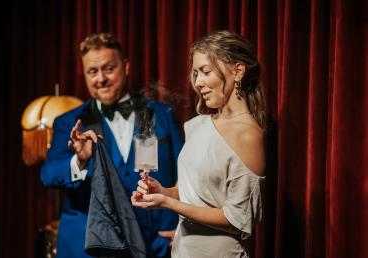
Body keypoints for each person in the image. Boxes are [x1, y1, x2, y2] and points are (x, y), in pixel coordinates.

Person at [41, 32, 183, 258]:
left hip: (156, 244)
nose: (101, 79)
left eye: (108, 68)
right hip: (91, 247)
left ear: (125, 67)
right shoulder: (69, 122)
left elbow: (187, 175)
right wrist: (80, 160)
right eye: (92, 72)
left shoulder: (160, 114)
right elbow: (49, 174)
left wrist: (186, 226)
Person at [131, 30, 267, 258]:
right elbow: (190, 193)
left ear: (237, 71)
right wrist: (164, 191)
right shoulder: (196, 125)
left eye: (205, 72)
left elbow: (238, 220)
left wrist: (168, 204)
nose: (198, 82)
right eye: (195, 73)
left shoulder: (248, 135)